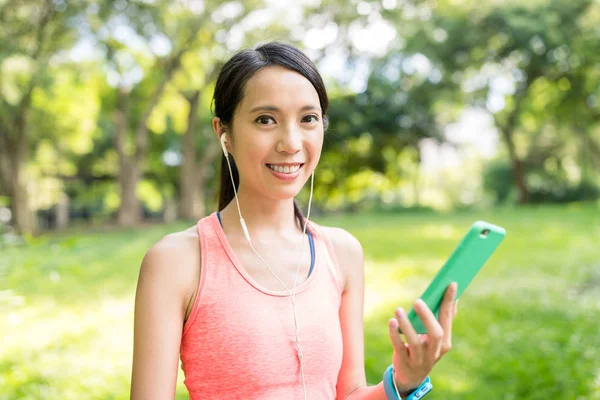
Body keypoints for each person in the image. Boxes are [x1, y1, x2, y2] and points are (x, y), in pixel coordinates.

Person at [130, 41, 458, 400]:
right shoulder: (176, 262)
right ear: (224, 133)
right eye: (265, 119)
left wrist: (404, 382)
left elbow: (347, 393)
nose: (290, 142)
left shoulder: (342, 253)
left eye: (308, 119)